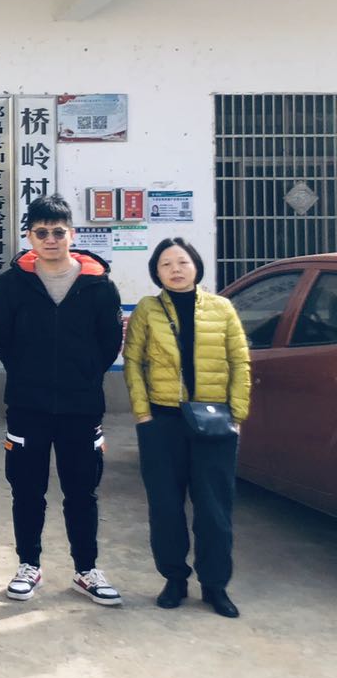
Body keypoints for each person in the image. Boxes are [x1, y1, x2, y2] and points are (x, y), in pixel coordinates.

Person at [0, 193, 124, 606]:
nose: (51, 240)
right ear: (30, 237)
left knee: (82, 491)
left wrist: (83, 376)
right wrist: (29, 376)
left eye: (58, 232)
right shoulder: (11, 284)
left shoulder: (99, 285)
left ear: (72, 235)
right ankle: (28, 565)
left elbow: (110, 343)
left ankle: (86, 569)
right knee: (27, 491)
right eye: (42, 232)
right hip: (27, 406)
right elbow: (2, 338)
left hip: (81, 408)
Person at [124, 237, 251, 619]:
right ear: (156, 272)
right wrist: (143, 414)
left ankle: (215, 585)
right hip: (162, 422)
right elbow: (133, 361)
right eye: (166, 264)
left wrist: (237, 415)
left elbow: (240, 362)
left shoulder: (222, 309)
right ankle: (174, 579)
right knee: (165, 507)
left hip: (214, 422)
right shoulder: (148, 310)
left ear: (196, 265)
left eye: (182, 262)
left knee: (214, 509)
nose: (175, 269)